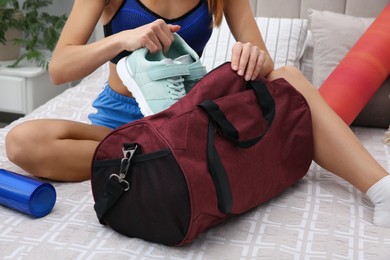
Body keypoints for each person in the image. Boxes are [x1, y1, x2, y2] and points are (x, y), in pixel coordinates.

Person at [5, 0, 390, 227]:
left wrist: (254, 56)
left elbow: (262, 56)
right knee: (22, 140)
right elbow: (60, 67)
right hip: (121, 124)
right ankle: (171, 165)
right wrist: (123, 39)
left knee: (287, 76)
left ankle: (382, 188)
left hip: (186, 117)